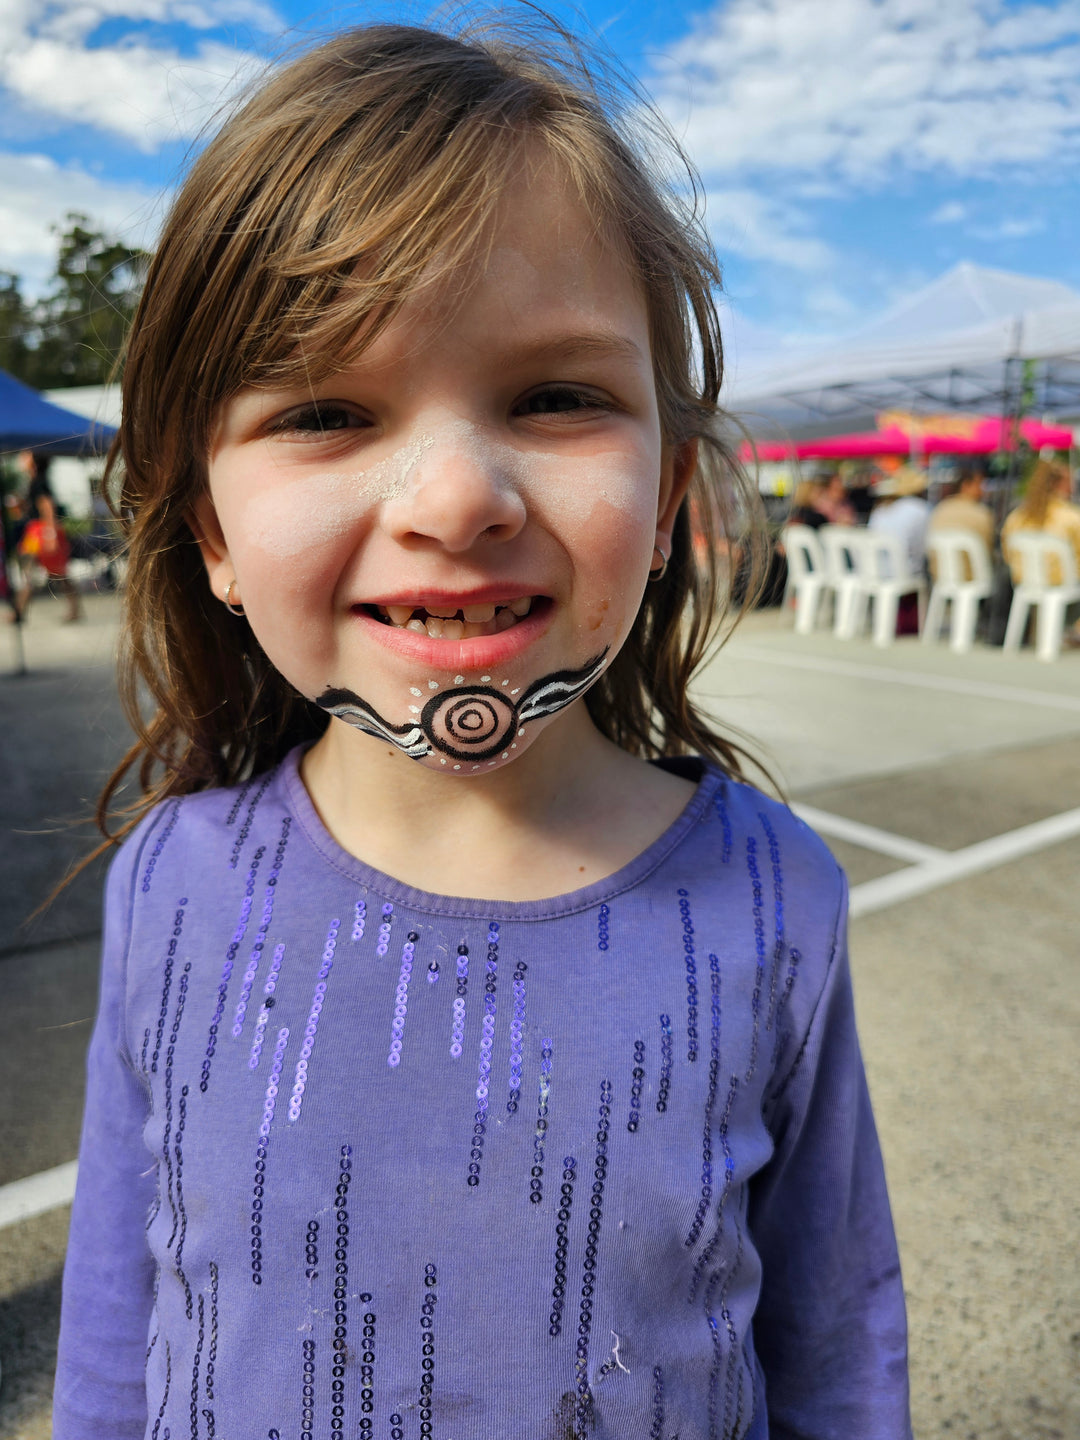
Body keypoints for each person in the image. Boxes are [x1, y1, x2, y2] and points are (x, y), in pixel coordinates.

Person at [53, 20, 911, 1440]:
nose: (455, 499)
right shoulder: (172, 888)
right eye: (327, 410)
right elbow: (110, 1339)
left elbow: (838, 1349)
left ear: (669, 483)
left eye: (558, 398)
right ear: (207, 524)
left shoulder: (774, 895)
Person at [12, 451, 83, 623]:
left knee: (54, 572)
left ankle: (74, 610)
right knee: (44, 571)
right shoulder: (36, 481)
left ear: (34, 462)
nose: (23, 458)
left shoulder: (39, 482)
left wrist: (50, 535)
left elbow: (47, 507)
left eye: (26, 456)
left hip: (42, 531)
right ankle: (19, 611)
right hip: (40, 530)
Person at [1001, 458, 1080, 585]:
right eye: (1070, 482)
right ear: (1061, 484)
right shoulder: (1071, 517)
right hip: (1064, 585)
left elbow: (1007, 555)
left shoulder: (1016, 517)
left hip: (1024, 583)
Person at [927, 463, 995, 561]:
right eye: (979, 484)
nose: (982, 490)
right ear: (966, 485)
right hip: (974, 575)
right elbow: (987, 551)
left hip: (941, 574)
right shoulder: (981, 513)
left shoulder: (940, 508)